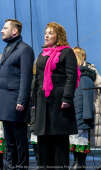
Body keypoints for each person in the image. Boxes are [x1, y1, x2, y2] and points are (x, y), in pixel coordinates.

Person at [33, 22, 80, 170]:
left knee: (59, 138)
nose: (46, 35)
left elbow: (71, 77)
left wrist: (67, 98)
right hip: (43, 100)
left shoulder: (67, 52)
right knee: (43, 137)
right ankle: (44, 167)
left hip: (59, 100)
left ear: (58, 36)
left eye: (51, 33)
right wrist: (33, 100)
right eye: (46, 32)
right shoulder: (42, 54)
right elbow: (37, 78)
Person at [0, 19, 34, 170]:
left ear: (15, 31)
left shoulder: (25, 49)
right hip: (5, 100)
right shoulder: (7, 48)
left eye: (5, 28)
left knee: (19, 139)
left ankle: (21, 166)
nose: (1, 30)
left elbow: (26, 77)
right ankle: (10, 165)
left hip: (16, 100)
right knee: (9, 139)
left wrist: (22, 100)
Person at [74, 47, 101, 147]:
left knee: (86, 136)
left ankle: (82, 160)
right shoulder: (71, 70)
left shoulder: (91, 70)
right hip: (78, 107)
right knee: (78, 137)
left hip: (91, 106)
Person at [69, 47, 95, 170]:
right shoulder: (76, 76)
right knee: (75, 141)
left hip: (80, 116)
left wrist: (87, 116)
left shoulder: (84, 77)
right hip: (74, 114)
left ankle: (80, 163)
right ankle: (77, 162)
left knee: (80, 142)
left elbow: (87, 99)